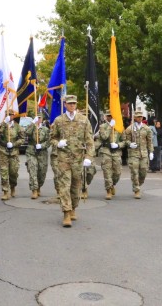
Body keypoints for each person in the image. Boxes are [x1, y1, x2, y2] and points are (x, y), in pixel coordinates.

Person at [49, 95, 95, 227]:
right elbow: (51, 138)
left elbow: (90, 141)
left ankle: (73, 207)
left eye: (74, 103)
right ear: (65, 105)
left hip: (78, 159)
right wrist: (58, 143)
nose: (72, 106)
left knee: (76, 187)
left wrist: (88, 157)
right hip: (63, 159)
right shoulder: (59, 120)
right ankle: (66, 213)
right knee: (64, 186)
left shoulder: (83, 120)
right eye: (69, 104)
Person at [124, 110, 153, 199]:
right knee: (134, 172)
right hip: (133, 154)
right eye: (138, 117)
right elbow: (125, 140)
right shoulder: (130, 128)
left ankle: (138, 184)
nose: (140, 118)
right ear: (135, 118)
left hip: (143, 153)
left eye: (141, 117)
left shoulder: (146, 128)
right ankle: (136, 190)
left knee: (143, 172)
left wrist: (151, 151)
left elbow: (150, 141)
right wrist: (130, 144)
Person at [0, 109, 24, 200]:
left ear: (13, 116)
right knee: (4, 172)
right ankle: (5, 191)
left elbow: (22, 139)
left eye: (11, 115)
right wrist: (4, 122)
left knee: (13, 173)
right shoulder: (2, 125)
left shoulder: (17, 127)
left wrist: (14, 144)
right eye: (8, 115)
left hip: (14, 152)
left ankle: (13, 187)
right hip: (3, 151)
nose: (10, 116)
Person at [97, 110, 125, 200]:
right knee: (107, 172)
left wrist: (118, 145)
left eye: (112, 116)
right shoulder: (103, 126)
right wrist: (110, 126)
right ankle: (108, 190)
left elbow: (124, 141)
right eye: (108, 116)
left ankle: (113, 184)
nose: (110, 117)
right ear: (106, 117)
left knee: (117, 172)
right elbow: (104, 136)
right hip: (106, 151)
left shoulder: (119, 127)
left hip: (116, 152)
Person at [24, 113, 49, 199]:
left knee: (42, 173)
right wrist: (33, 123)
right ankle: (34, 190)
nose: (38, 119)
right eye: (37, 117)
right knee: (33, 170)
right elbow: (26, 132)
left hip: (42, 153)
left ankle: (38, 187)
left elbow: (49, 141)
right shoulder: (31, 127)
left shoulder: (45, 129)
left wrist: (41, 146)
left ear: (42, 119)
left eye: (40, 117)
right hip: (31, 152)